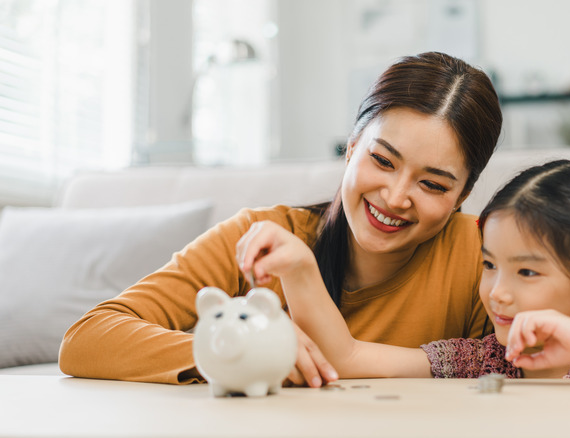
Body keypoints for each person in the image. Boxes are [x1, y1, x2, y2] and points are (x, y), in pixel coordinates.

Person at [58, 51, 503, 386]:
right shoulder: (264, 238)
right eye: (383, 161)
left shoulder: (484, 254)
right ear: (350, 148)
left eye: (433, 185)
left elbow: (526, 373)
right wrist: (238, 352)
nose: (396, 197)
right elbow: (86, 340)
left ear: (463, 193)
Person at [251, 160, 570, 381]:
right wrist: (299, 268)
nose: (496, 293)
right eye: (488, 266)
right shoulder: (481, 360)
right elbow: (347, 356)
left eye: (526, 273)